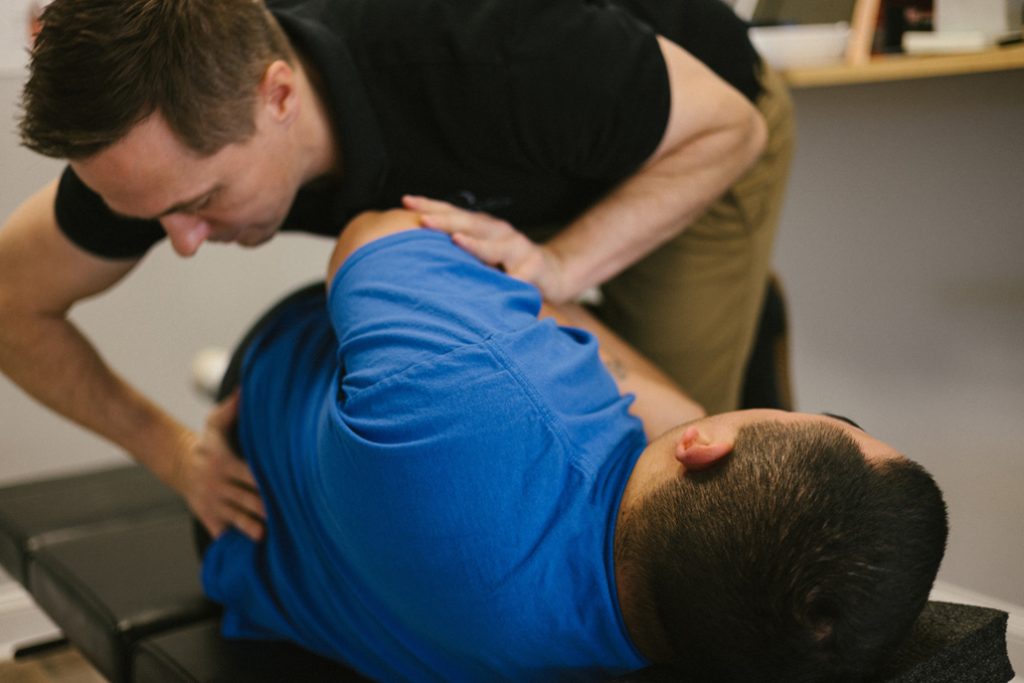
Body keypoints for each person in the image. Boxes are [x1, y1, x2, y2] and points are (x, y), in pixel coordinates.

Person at [0, 0, 793, 543]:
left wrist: (560, 262)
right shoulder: (154, 153)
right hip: (508, 166)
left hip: (684, 137)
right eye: (154, 214)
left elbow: (730, 129)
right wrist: (174, 455)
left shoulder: (486, 48)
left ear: (278, 96)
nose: (183, 241)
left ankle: (744, 321)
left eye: (204, 201)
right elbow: (9, 301)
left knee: (672, 486)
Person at [197, 209, 948, 682]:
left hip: (258, 417)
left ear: (703, 446)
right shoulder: (661, 638)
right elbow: (681, 418)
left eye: (823, 417)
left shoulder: (486, 388)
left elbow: (373, 234)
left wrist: (542, 285)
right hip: (281, 573)